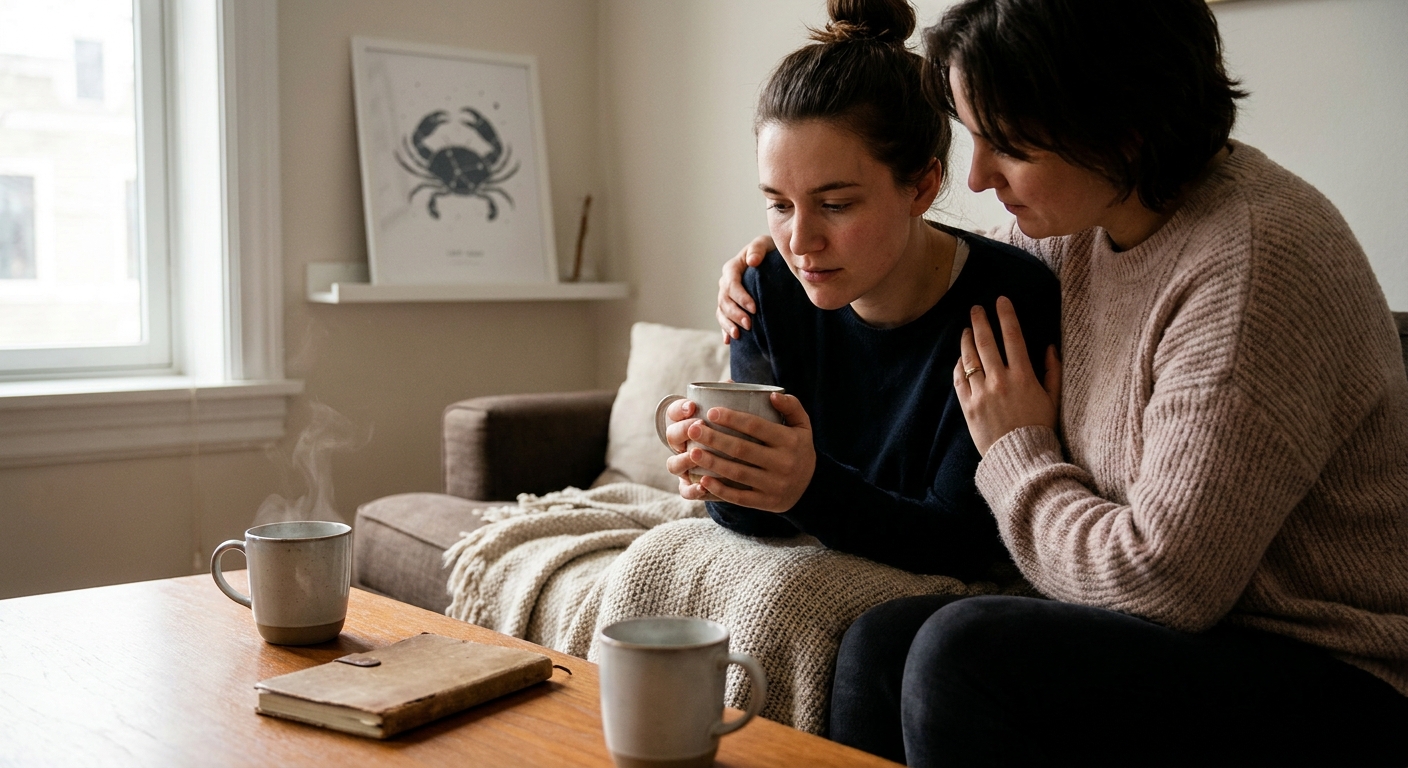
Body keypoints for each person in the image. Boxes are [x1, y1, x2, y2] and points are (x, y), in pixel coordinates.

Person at [713, 0, 1408, 765]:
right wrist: (787, 254)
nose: (975, 177)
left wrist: (1018, 453)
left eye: (1005, 145)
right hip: (1183, 636)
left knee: (962, 649)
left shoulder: (1251, 267)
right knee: (881, 637)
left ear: (1119, 130)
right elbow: (934, 261)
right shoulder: (1081, 225)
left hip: (1332, 670)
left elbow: (1166, 584)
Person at [662, 0, 1060, 580]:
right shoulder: (765, 286)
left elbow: (969, 540)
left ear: (922, 186)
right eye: (778, 204)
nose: (800, 241)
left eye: (836, 205)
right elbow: (746, 516)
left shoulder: (1003, 303)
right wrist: (712, 459)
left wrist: (807, 487)